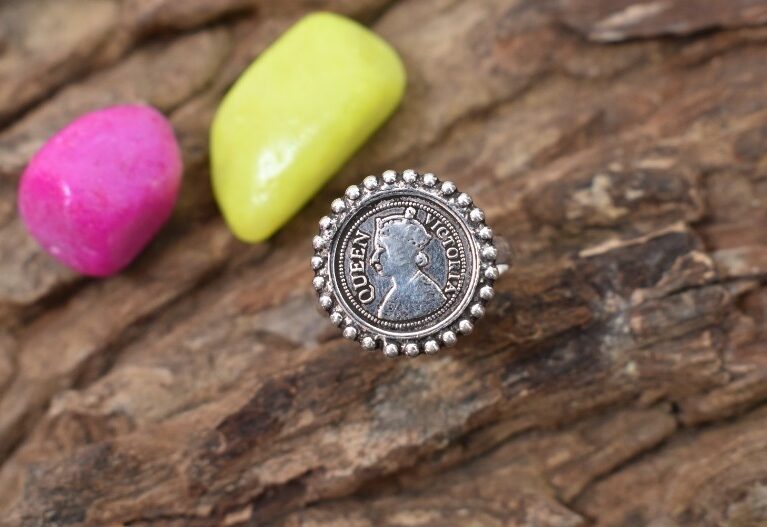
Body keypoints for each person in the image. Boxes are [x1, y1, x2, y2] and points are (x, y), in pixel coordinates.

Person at [370, 207, 446, 320]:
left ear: (405, 253)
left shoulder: (427, 296)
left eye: (383, 249)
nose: (374, 258)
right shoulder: (397, 292)